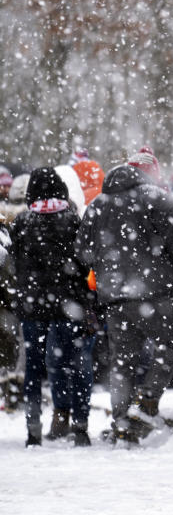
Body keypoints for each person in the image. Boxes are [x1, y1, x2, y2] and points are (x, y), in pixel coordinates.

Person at [76, 163, 173, 444]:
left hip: (116, 298)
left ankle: (122, 422)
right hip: (157, 291)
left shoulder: (97, 205)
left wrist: (108, 264)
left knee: (122, 364)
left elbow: (82, 252)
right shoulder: (155, 196)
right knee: (172, 344)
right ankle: (148, 401)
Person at [8, 168, 96, 447]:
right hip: (69, 305)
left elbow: (15, 264)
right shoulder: (73, 221)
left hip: (33, 307)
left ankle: (33, 430)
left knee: (34, 367)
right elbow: (85, 263)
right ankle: (79, 426)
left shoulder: (22, 223)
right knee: (76, 364)